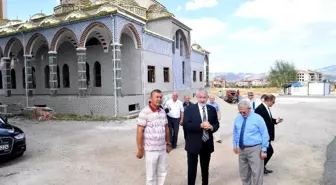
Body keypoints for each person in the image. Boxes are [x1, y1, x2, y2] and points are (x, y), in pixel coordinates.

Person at [183, 89, 220, 185]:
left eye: (204, 97)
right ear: (197, 97)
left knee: (205, 169)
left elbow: (216, 124)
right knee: (192, 169)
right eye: (200, 97)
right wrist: (200, 126)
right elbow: (186, 125)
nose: (202, 100)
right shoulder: (189, 109)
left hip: (206, 144)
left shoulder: (211, 109)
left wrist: (212, 127)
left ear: (207, 98)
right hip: (193, 144)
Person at [137, 89, 172, 185]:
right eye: (157, 97)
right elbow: (139, 132)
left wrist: (168, 143)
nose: (159, 99)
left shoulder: (162, 112)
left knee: (162, 173)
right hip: (150, 150)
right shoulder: (144, 112)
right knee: (151, 176)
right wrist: (140, 149)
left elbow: (166, 129)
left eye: (161, 97)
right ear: (150, 98)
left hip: (162, 149)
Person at [233, 100, 269, 185]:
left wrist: (264, 149)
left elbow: (264, 133)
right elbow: (235, 132)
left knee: (257, 173)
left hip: (255, 149)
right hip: (242, 149)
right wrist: (235, 144)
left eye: (244, 112)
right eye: (240, 112)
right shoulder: (238, 118)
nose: (242, 114)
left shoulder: (258, 118)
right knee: (244, 172)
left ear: (249, 109)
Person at [254, 94, 283, 174]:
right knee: (269, 151)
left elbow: (267, 120)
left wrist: (275, 121)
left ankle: (261, 167)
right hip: (263, 136)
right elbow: (257, 124)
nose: (273, 104)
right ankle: (260, 168)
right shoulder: (260, 109)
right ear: (269, 101)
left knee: (266, 152)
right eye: (273, 102)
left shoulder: (266, 108)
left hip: (267, 135)